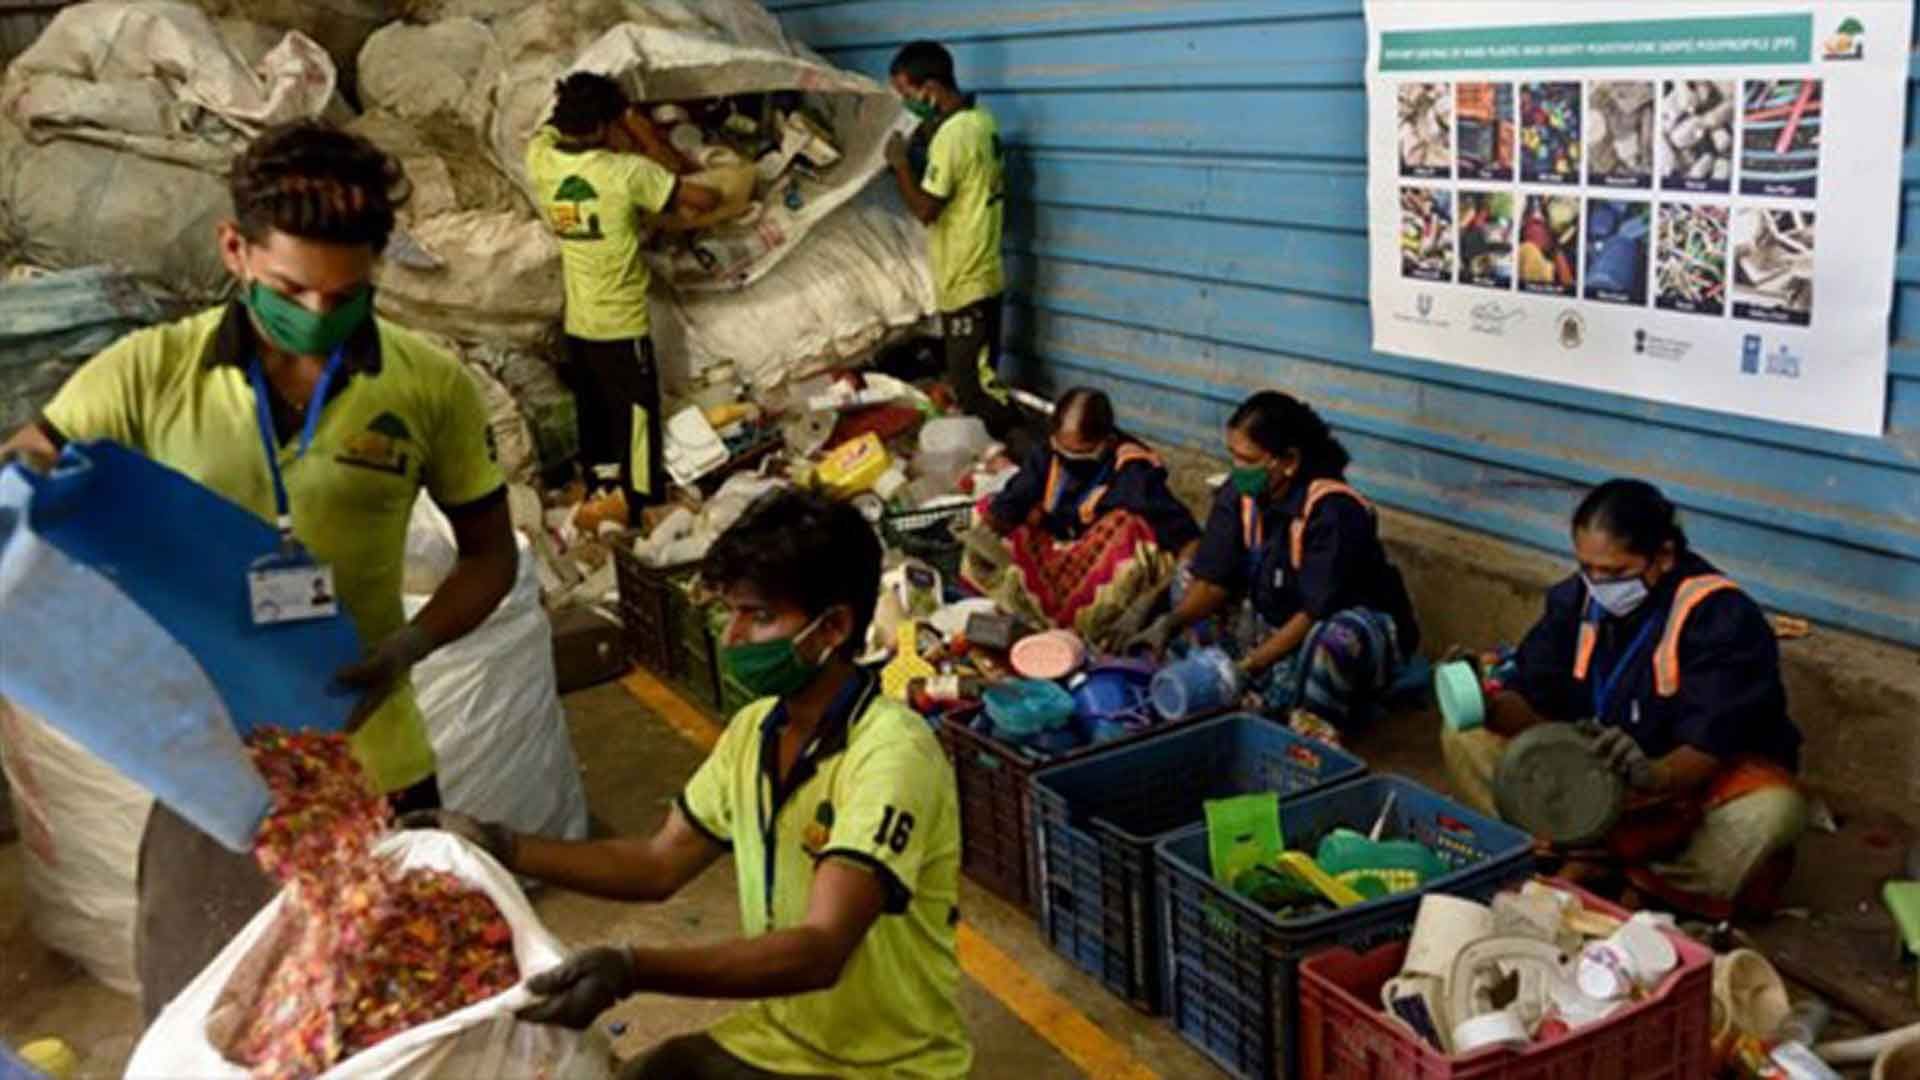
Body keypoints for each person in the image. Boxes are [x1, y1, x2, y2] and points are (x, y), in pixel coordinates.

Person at [0, 121, 519, 1019]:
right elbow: (30, 462)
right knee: (208, 1010)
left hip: (372, 752)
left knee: (393, 1015)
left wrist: (407, 648)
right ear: (234, 250)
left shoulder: (427, 384)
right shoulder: (149, 371)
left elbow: (490, 556)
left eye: (345, 295)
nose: (317, 315)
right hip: (210, 771)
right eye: (289, 290)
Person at [407, 489, 972, 1080]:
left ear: (833, 627)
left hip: (890, 1066)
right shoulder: (756, 732)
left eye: (758, 617)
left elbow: (820, 951)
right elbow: (658, 864)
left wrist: (633, 969)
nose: (731, 638)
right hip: (783, 1038)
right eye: (732, 613)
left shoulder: (890, 754)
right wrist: (500, 843)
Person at [1440, 479, 1807, 918]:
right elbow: (1532, 699)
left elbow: (1711, 743)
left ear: (1663, 557)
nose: (1598, 584)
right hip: (1584, 782)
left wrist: (1654, 774)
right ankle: (1566, 850)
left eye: (1615, 573)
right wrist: (1485, 705)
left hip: (1677, 795)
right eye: (1587, 568)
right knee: (1465, 734)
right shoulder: (1576, 600)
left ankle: (1648, 884)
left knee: (1772, 811)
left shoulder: (1721, 618)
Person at [1130, 391, 1419, 741]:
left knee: (1337, 638)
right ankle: (1220, 689)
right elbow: (1211, 581)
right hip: (1274, 624)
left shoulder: (1333, 511)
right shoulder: (1239, 495)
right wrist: (1169, 622)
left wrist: (1249, 666)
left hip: (1333, 634)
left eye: (1248, 459)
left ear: (1288, 461)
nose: (1237, 468)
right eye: (1233, 455)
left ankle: (1314, 728)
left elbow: (1313, 612)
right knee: (1187, 576)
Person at [528, 72, 720, 507]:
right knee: (637, 420)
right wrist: (639, 128)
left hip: (578, 324)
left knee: (594, 414)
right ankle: (642, 503)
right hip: (621, 325)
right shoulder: (627, 173)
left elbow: (547, 129)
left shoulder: (540, 158)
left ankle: (601, 494)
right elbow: (703, 200)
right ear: (603, 126)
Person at [883, 41, 1036, 459]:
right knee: (974, 380)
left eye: (908, 93)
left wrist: (900, 164)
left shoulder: (952, 136)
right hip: (979, 269)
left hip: (967, 277)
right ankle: (1006, 461)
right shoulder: (980, 120)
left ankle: (1036, 458)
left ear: (930, 88)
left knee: (976, 389)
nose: (907, 103)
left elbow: (926, 209)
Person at [962, 387, 1200, 645]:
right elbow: (1013, 500)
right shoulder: (1050, 453)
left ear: (1107, 442)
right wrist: (984, 535)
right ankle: (1029, 609)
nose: (1069, 461)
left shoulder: (1133, 473)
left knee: (1126, 527)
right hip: (1058, 549)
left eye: (1081, 455)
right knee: (985, 509)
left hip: (1099, 563)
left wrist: (1162, 601)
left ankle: (1083, 626)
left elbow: (1189, 540)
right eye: (1064, 452)